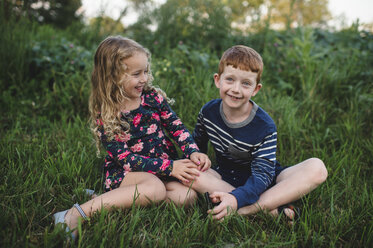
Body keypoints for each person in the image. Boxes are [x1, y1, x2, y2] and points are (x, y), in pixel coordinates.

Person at [53, 36, 210, 240]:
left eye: (145, 71)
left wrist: (192, 150)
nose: (144, 79)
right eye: (136, 74)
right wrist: (171, 167)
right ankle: (74, 214)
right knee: (154, 189)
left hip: (160, 165)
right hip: (127, 172)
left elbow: (176, 126)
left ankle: (106, 200)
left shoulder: (152, 97)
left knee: (186, 198)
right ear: (113, 77)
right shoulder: (108, 113)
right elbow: (126, 159)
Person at [186, 45, 328, 221]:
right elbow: (196, 145)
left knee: (317, 168)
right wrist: (196, 156)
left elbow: (263, 175)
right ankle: (271, 207)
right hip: (225, 177)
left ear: (256, 89)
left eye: (245, 83)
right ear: (218, 80)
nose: (236, 89)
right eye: (230, 79)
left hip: (266, 181)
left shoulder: (265, 126)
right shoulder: (208, 112)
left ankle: (242, 211)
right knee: (190, 172)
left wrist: (237, 198)